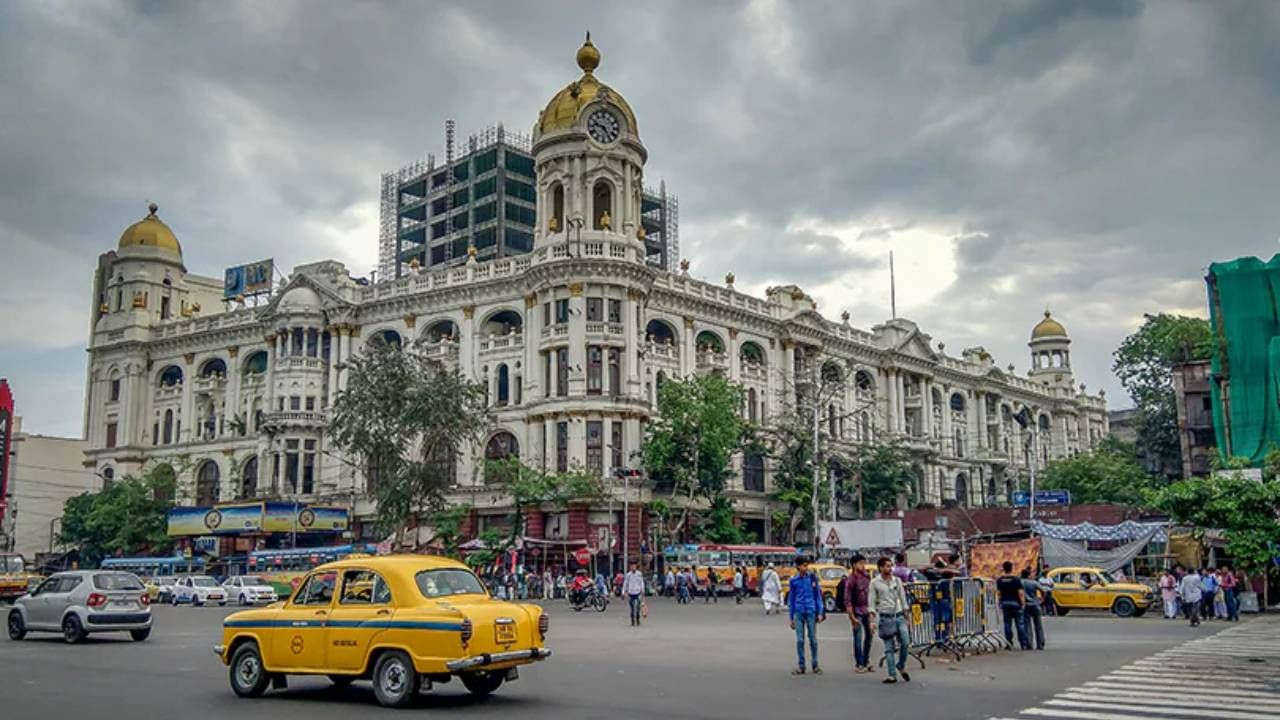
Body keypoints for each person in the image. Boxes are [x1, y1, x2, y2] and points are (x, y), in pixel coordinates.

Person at [870, 556, 911, 684]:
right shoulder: (875, 583)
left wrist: (907, 616)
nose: (890, 568)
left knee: (905, 641)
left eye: (890, 566)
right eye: (887, 566)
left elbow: (903, 599)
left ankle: (901, 664)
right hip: (885, 617)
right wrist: (872, 621)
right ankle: (891, 674)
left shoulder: (897, 581)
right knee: (889, 648)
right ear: (881, 568)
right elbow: (871, 603)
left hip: (898, 615)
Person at [788, 556, 825, 675]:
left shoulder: (812, 578)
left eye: (806, 565)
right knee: (800, 640)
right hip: (798, 611)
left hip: (811, 610)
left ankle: (815, 664)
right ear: (798, 566)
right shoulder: (794, 581)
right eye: (803, 565)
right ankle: (801, 665)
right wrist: (791, 617)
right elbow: (791, 600)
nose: (806, 568)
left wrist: (820, 612)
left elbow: (818, 596)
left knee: (813, 639)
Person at [845, 554, 874, 673]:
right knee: (858, 638)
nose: (863, 565)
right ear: (854, 565)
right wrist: (851, 617)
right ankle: (859, 663)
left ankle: (866, 661)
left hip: (867, 610)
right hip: (856, 612)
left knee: (869, 636)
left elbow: (872, 595)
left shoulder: (867, 577)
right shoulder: (851, 580)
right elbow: (847, 600)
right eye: (860, 563)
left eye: (863, 563)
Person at [996, 561, 1030, 650]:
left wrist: (999, 603)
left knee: (1007, 623)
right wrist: (1023, 603)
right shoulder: (1016, 580)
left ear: (1003, 569)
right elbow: (1020, 593)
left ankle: (1009, 643)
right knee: (1020, 624)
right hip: (1015, 603)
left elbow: (998, 593)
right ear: (1012, 568)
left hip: (1005, 603)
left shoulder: (1000, 580)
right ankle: (1023, 643)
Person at [1019, 568, 1045, 650]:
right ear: (1028, 575)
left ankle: (1029, 643)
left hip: (1026, 605)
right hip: (1035, 604)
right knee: (1038, 625)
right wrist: (1042, 599)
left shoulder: (1020, 583)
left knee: (1027, 625)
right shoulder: (1034, 583)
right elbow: (1043, 590)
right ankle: (1040, 644)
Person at [623, 561, 646, 626]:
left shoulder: (639, 574)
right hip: (630, 593)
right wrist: (623, 592)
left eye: (634, 566)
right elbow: (625, 583)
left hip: (637, 593)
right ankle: (632, 621)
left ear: (636, 567)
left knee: (638, 607)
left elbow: (641, 582)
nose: (633, 568)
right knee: (632, 608)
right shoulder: (628, 575)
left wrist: (643, 590)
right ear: (630, 567)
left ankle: (638, 620)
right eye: (632, 566)